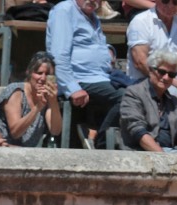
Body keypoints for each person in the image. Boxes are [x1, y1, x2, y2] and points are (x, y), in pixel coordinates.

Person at [46, 0, 127, 149]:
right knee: (126, 98)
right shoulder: (64, 11)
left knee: (142, 92)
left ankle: (97, 136)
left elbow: (92, 44)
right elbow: (59, 54)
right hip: (80, 78)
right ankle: (100, 142)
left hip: (101, 76)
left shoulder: (91, 15)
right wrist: (72, 87)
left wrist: (108, 51)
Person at [119, 49, 177, 152]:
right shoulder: (133, 94)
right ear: (150, 70)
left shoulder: (173, 102)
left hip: (172, 153)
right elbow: (137, 131)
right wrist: (163, 158)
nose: (166, 77)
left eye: (172, 75)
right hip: (141, 153)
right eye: (162, 72)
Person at [0, 52, 62, 148]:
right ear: (29, 73)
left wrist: (53, 101)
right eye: (39, 73)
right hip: (3, 149)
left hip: (25, 152)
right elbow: (15, 133)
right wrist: (37, 108)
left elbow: (55, 130)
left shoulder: (47, 97)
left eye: (47, 74)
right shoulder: (16, 91)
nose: (43, 78)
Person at [126, 0, 177, 90]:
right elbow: (140, 63)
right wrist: (173, 82)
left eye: (175, 2)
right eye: (165, 1)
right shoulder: (140, 21)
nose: (170, 6)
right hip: (147, 84)